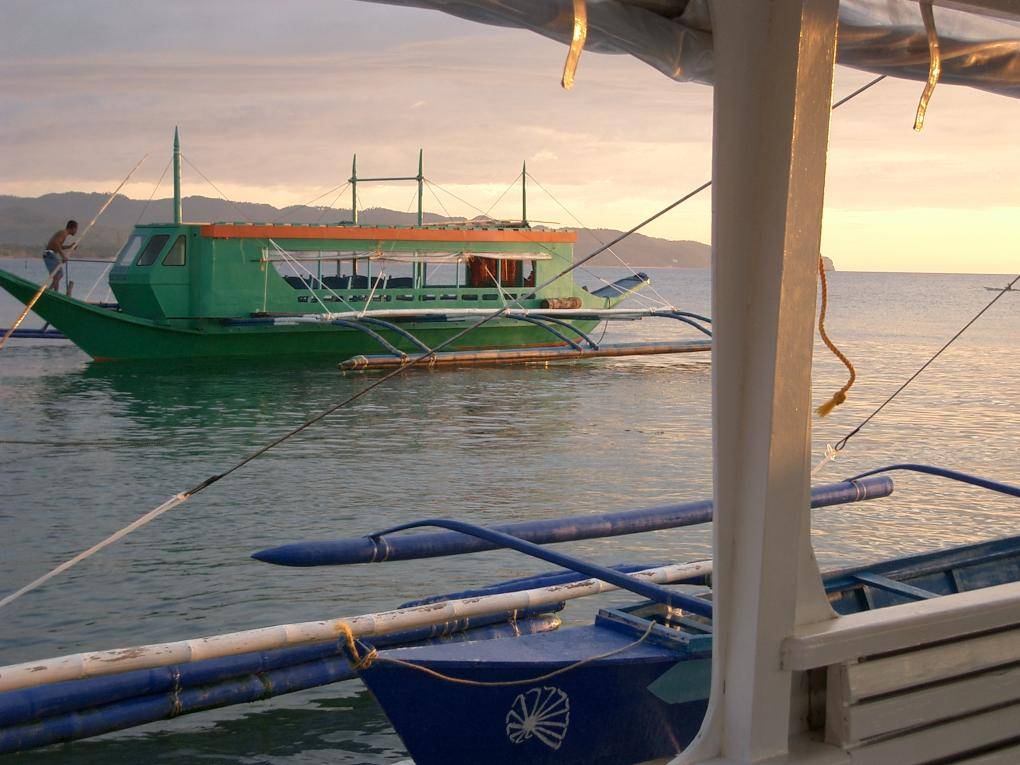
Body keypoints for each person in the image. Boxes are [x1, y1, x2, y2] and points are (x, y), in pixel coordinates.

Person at [43, 220, 78, 291]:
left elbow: (58, 245)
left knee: (56, 275)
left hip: (49, 254)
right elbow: (56, 243)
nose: (76, 231)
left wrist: (69, 247)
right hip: (49, 254)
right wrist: (63, 256)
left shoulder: (63, 234)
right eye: (76, 229)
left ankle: (55, 293)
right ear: (73, 228)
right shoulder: (63, 233)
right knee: (59, 273)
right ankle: (48, 291)